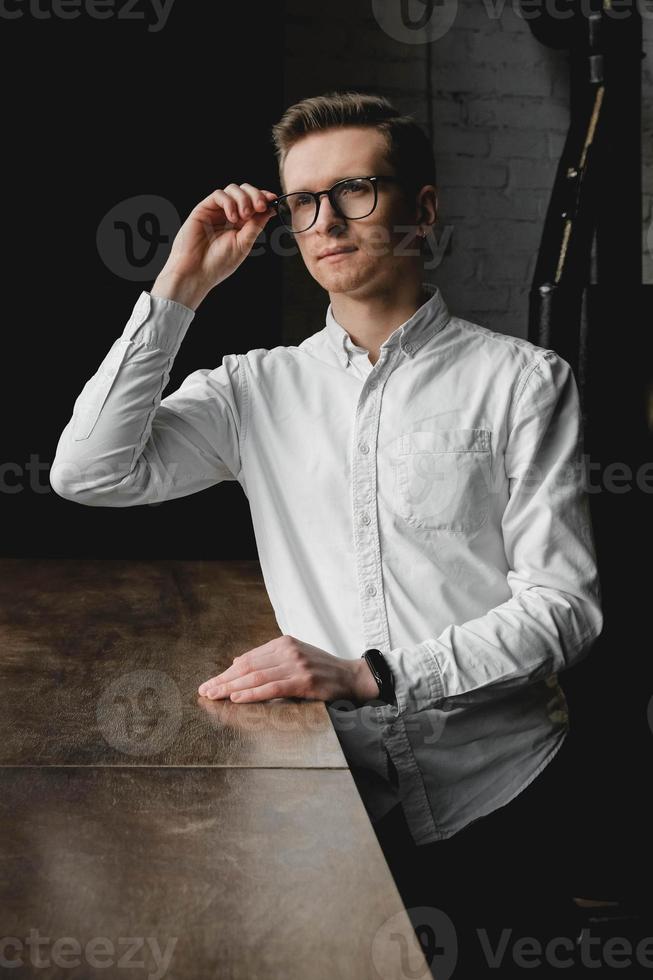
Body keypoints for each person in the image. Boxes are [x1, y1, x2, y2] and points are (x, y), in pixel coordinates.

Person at [50, 91, 604, 949]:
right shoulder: (253, 389)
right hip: (331, 800)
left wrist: (371, 674)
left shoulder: (524, 382)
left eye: (354, 190)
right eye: (302, 202)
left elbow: (563, 609)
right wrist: (179, 287)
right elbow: (88, 472)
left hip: (502, 795)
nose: (325, 221)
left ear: (420, 207)